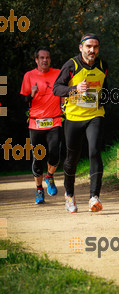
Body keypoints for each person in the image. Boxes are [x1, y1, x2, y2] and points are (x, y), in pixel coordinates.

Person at [53, 33, 108, 213]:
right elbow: (56, 89)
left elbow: (104, 88)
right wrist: (75, 89)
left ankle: (94, 197)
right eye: (89, 47)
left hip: (95, 115)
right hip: (74, 117)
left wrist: (104, 98)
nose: (92, 50)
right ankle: (69, 195)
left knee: (94, 151)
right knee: (72, 159)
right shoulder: (71, 65)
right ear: (81, 48)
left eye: (96, 47)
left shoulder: (102, 66)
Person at [20, 46, 62, 204]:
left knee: (54, 153)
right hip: (35, 122)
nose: (45, 60)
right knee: (38, 158)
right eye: (42, 58)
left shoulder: (57, 73)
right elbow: (23, 101)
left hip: (55, 120)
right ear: (36, 60)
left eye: (48, 58)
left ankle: (49, 176)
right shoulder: (29, 76)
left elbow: (65, 88)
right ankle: (39, 190)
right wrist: (32, 94)